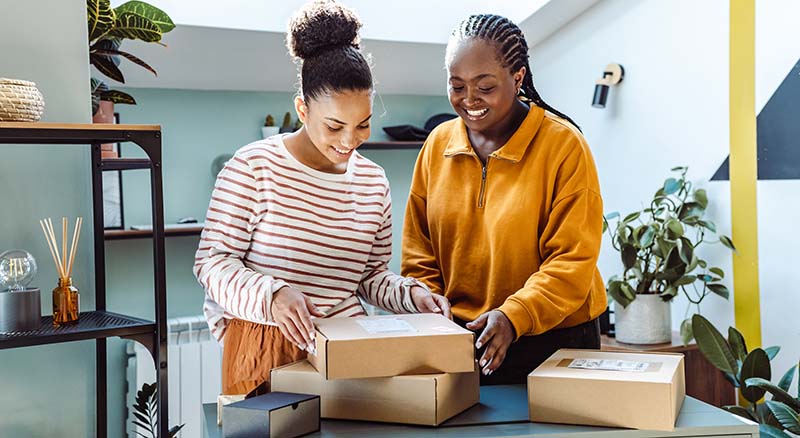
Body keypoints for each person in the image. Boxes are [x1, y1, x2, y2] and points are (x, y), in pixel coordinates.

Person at [194, 0, 450, 396]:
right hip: (265, 344)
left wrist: (412, 296)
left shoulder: (372, 181)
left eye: (363, 125)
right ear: (302, 108)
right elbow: (211, 264)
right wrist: (273, 294)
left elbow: (369, 276)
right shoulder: (253, 166)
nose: (349, 141)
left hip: (348, 346)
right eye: (334, 126)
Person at [401, 13, 606, 385]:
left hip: (554, 340)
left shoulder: (563, 146)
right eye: (457, 85)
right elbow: (419, 251)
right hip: (462, 338)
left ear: (518, 78)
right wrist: (429, 305)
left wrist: (515, 316)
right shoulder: (437, 145)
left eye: (485, 86)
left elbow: (572, 261)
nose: (469, 100)